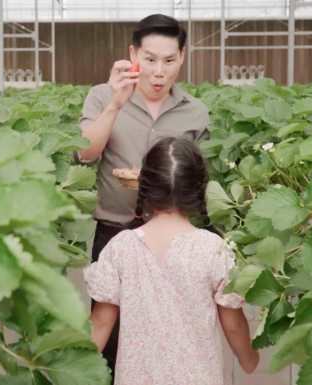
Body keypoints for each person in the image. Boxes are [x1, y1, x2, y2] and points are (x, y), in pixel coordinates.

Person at [76, 13, 210, 374]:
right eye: (149, 59)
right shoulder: (102, 96)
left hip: (175, 239)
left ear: (182, 57)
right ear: (132, 54)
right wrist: (115, 105)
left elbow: (200, 177)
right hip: (116, 231)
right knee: (111, 335)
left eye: (169, 61)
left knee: (173, 337)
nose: (158, 72)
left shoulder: (195, 112)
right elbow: (85, 154)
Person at [83, 137, 259, 385]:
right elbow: (232, 322)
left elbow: (100, 322)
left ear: (144, 186)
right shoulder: (213, 249)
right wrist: (248, 358)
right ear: (200, 189)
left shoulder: (121, 247)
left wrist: (76, 370)